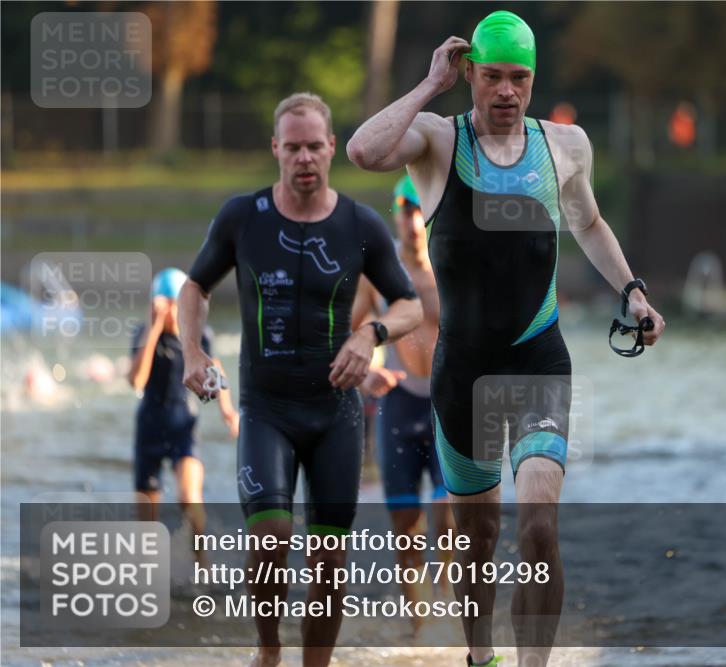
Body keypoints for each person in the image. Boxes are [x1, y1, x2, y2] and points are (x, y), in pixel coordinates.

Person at [346, 11, 666, 666]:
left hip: (537, 358)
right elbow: (362, 151)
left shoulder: (566, 146)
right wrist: (429, 84)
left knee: (540, 523)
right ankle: (479, 654)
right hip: (461, 371)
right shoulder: (438, 141)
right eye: (491, 76)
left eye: (519, 78)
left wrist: (632, 291)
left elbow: (591, 223)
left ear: (533, 79)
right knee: (477, 535)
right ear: (470, 74)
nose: (505, 92)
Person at [178, 92, 422, 667]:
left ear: (332, 147)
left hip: (335, 414)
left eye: (315, 145)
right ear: (276, 150)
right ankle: (268, 651)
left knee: (329, 565)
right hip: (267, 410)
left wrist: (369, 337)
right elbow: (194, 289)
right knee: (270, 540)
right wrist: (192, 351)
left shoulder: (360, 226)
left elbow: (407, 304)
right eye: (293, 148)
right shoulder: (242, 218)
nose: (305, 157)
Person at [352, 174, 455, 637]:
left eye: (421, 209)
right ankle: (420, 633)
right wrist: (363, 371)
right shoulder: (379, 269)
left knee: (448, 518)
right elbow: (348, 331)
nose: (414, 221)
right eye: (406, 210)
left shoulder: (451, 261)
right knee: (405, 526)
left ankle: (452, 613)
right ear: (395, 212)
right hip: (397, 405)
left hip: (447, 406)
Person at [129, 267, 239, 566]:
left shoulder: (199, 335)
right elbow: (136, 380)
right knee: (147, 525)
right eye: (164, 304)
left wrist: (227, 410)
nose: (169, 312)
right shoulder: (142, 333)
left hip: (183, 426)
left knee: (189, 497)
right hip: (149, 428)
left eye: (176, 305)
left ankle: (202, 563)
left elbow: (217, 370)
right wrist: (154, 329)